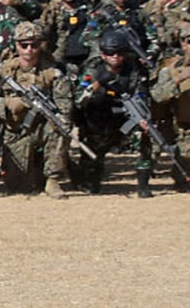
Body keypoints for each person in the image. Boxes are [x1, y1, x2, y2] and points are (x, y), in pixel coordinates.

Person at [0, 22, 71, 198]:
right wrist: (8, 103)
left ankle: (53, 179)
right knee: (19, 186)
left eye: (34, 45)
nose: (29, 49)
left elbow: (64, 104)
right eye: (24, 45)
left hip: (43, 127)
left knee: (62, 126)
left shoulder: (53, 71)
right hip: (15, 130)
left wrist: (60, 117)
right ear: (16, 45)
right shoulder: (2, 70)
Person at [75, 27, 156, 196]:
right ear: (103, 54)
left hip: (123, 119)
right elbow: (78, 99)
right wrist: (96, 86)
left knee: (145, 135)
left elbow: (140, 94)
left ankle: (143, 185)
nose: (115, 57)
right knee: (91, 174)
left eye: (119, 53)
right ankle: (87, 179)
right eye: (110, 53)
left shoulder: (133, 70)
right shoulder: (93, 69)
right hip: (97, 121)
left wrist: (142, 118)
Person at [150, 21, 190, 188]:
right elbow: (158, 96)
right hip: (180, 127)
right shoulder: (172, 68)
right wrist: (178, 80)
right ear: (183, 43)